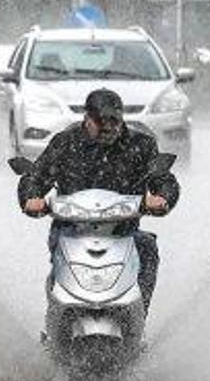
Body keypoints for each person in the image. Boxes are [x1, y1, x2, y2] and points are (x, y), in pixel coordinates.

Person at [17, 88, 179, 310]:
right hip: (70, 229)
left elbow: (162, 178)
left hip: (124, 232)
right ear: (87, 118)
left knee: (148, 248)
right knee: (59, 249)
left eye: (114, 121)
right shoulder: (65, 143)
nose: (109, 127)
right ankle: (57, 311)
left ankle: (139, 313)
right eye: (101, 121)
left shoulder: (141, 145)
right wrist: (31, 197)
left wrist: (163, 197)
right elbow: (37, 176)